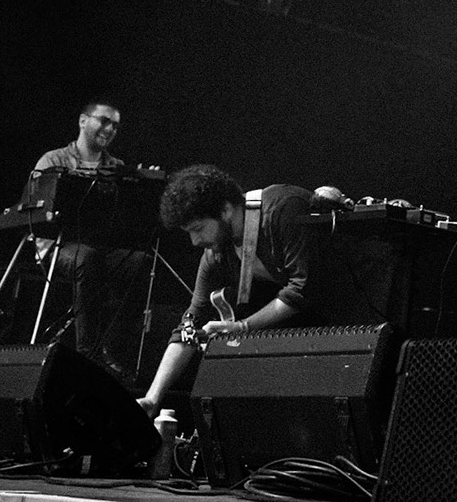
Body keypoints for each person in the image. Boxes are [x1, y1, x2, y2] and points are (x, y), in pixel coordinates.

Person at [138, 164, 329, 416]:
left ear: (226, 210)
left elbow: (301, 287)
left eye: (197, 229)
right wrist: (153, 398)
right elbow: (190, 324)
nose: (195, 242)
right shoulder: (216, 254)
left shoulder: (283, 209)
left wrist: (243, 327)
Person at [25, 99, 145, 372]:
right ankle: (87, 356)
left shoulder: (116, 166)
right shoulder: (53, 160)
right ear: (82, 120)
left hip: (99, 249)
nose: (110, 129)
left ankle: (112, 348)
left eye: (115, 125)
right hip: (57, 248)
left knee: (140, 263)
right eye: (104, 121)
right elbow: (35, 214)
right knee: (86, 257)